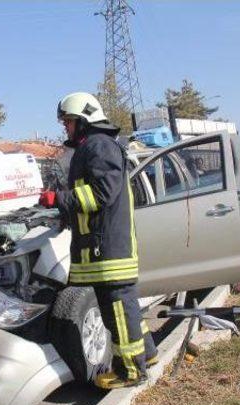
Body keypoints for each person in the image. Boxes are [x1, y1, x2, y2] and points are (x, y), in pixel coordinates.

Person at [39, 92, 158, 389]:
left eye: (68, 121)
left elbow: (101, 193)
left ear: (83, 120)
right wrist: (65, 213)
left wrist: (59, 199)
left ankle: (131, 371)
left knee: (118, 311)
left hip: (108, 250)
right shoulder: (95, 146)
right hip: (106, 246)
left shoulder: (99, 146)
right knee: (126, 309)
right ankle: (149, 354)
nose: (65, 127)